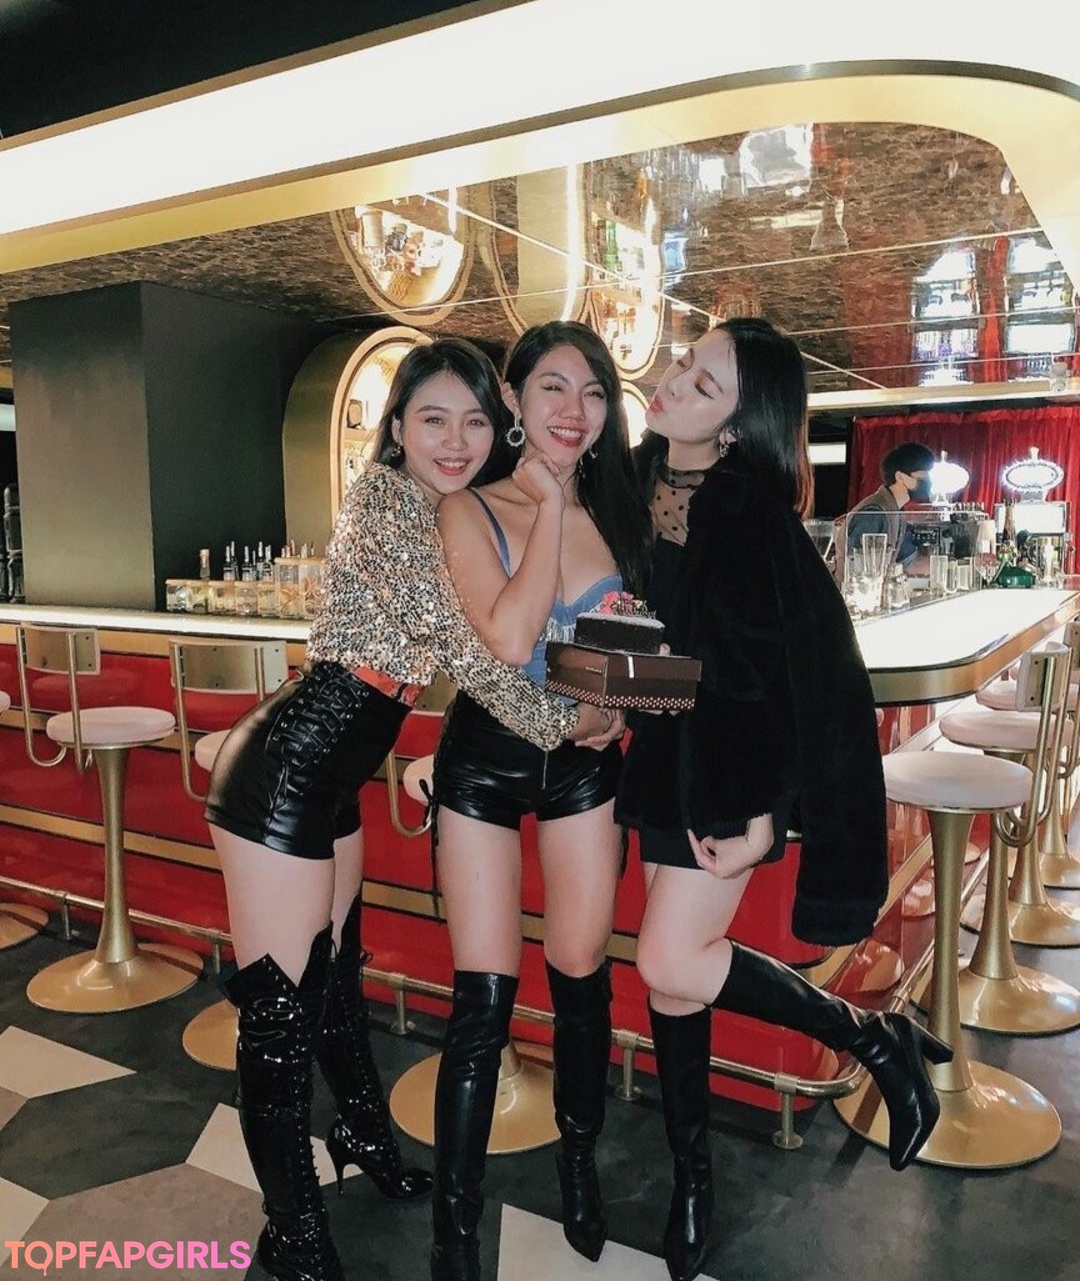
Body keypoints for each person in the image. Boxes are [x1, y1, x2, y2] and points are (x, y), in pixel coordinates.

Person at [205, 337, 614, 1281]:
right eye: (433, 419)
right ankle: (292, 1235)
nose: (456, 440)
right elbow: (481, 656)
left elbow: (523, 643)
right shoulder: (392, 506)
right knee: (280, 1015)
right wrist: (579, 721)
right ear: (396, 429)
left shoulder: (444, 511)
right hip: (286, 773)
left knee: (336, 979)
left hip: (333, 774)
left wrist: (621, 694)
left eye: (474, 422)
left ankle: (364, 1137)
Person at [615, 320, 953, 1281]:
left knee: (669, 956)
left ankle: (868, 1037)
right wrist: (603, 682)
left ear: (738, 425)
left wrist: (771, 812)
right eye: (686, 363)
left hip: (724, 774)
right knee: (673, 982)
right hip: (656, 765)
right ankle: (692, 1178)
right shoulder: (628, 486)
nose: (676, 380)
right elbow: (624, 642)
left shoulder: (753, 516)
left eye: (705, 382)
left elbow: (812, 674)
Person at [429, 320, 652, 1280]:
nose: (575, 409)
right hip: (484, 764)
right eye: (553, 387)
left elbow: (643, 662)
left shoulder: (624, 513)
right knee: (483, 999)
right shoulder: (466, 507)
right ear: (514, 399)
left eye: (594, 392)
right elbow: (510, 636)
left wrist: (619, 704)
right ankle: (454, 1231)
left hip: (584, 771)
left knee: (579, 974)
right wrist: (551, 505)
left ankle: (578, 1165)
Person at [843, 440, 937, 573]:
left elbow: (909, 563)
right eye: (924, 474)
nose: (928, 480)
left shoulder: (897, 513)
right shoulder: (873, 513)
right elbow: (859, 570)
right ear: (900, 477)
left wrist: (950, 564)